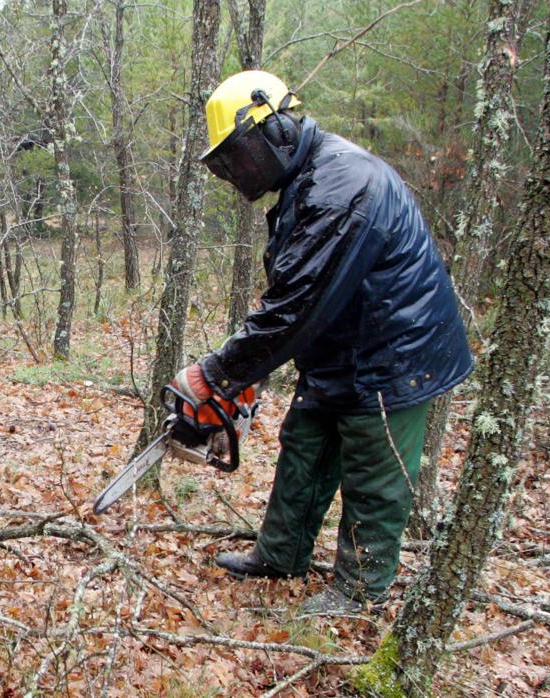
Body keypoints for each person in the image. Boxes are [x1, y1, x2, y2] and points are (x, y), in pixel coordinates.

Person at [169, 70, 474, 615]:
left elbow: (298, 303)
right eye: (226, 162)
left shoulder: (344, 184)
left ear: (275, 128)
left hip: (394, 352)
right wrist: (248, 369)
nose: (236, 170)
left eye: (238, 155)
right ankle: (281, 554)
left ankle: (360, 591)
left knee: (374, 474)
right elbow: (293, 293)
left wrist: (217, 372)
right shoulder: (306, 183)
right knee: (306, 445)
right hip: (340, 349)